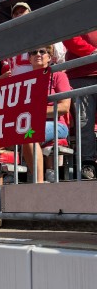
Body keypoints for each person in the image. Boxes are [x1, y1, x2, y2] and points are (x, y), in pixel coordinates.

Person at [22, 46, 72, 183]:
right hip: (30, 123)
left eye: (42, 51)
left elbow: (64, 107)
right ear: (29, 59)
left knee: (29, 134)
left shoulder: (58, 75)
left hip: (57, 124)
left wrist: (36, 113)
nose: (37, 54)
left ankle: (38, 183)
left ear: (49, 58)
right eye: (33, 52)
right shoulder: (24, 82)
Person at [63, 28, 97, 179]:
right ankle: (87, 162)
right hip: (80, 74)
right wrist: (92, 52)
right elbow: (69, 36)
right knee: (83, 123)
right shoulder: (79, 9)